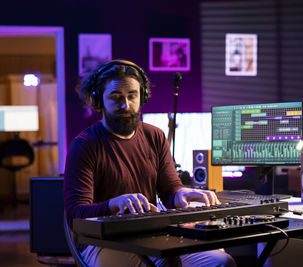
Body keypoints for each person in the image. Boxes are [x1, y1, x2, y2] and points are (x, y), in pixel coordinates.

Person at [64, 59, 236, 267]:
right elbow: (76, 215)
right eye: (115, 97)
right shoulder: (85, 145)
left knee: (219, 262)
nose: (125, 105)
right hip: (102, 242)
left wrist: (182, 193)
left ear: (142, 96)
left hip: (150, 234)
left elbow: (171, 191)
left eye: (132, 96)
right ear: (99, 102)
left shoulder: (154, 136)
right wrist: (113, 205)